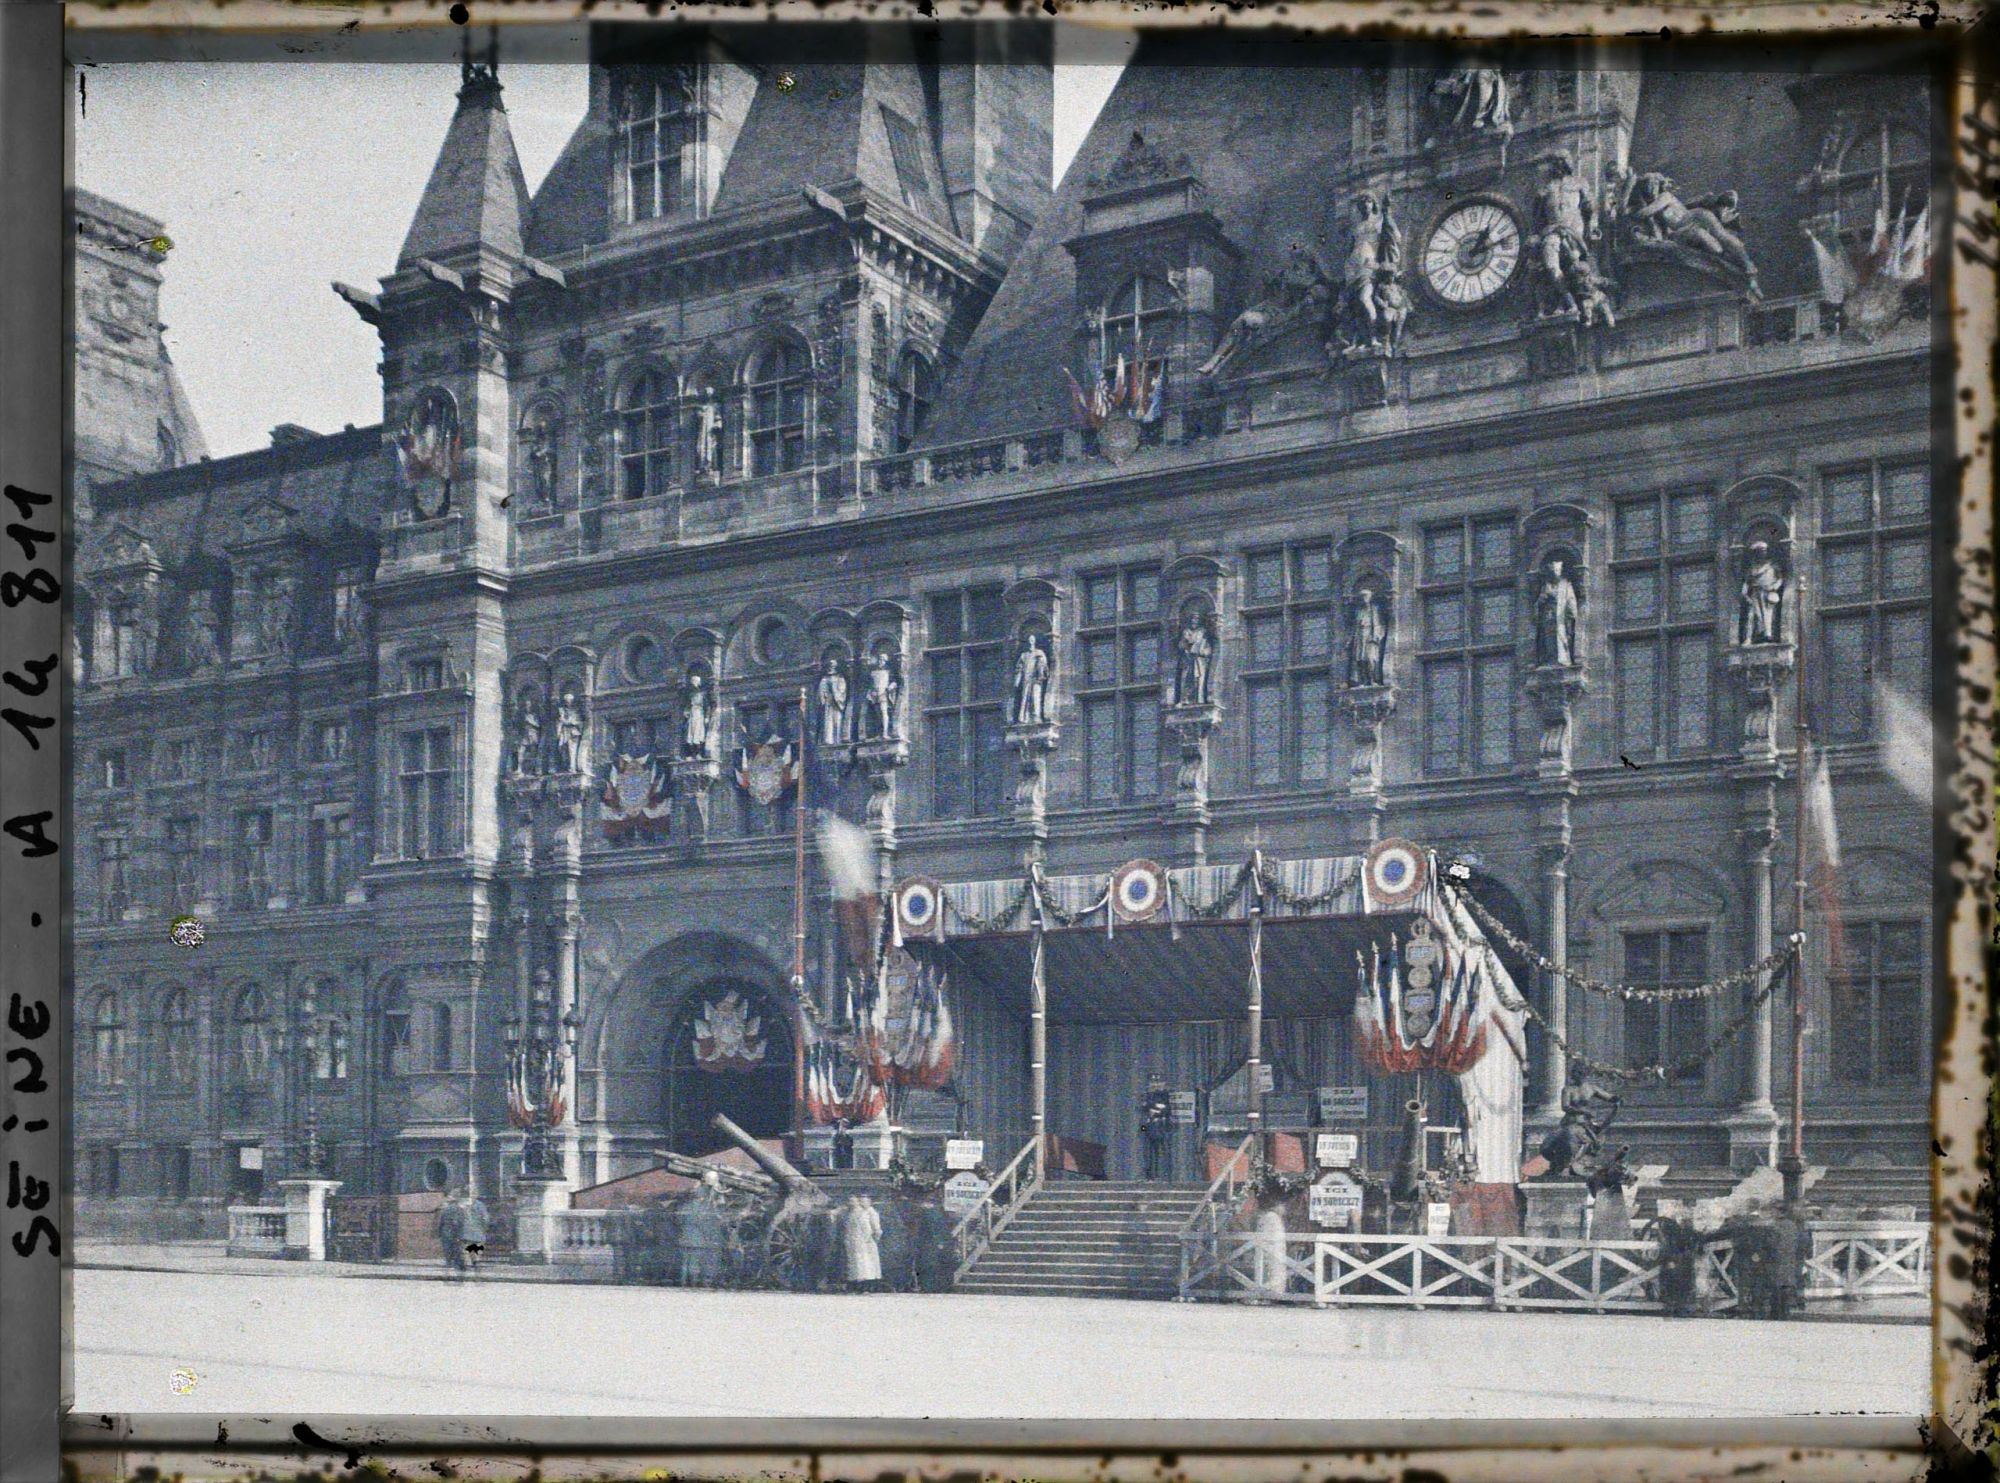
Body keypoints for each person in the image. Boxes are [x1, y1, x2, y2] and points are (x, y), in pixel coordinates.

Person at [842, 1193, 883, 1291]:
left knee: (865, 1264)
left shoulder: (867, 1213)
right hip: (853, 1242)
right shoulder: (850, 1214)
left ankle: (866, 1285)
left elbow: (874, 1229)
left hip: (865, 1242)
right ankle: (855, 1283)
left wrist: (872, 1239)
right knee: (855, 1263)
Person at [1140, 1073, 1173, 1181]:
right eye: (1153, 1083)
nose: (1155, 1086)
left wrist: (1154, 1108)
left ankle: (1164, 1176)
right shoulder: (1147, 1096)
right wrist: (1142, 1130)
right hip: (1148, 1128)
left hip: (1161, 1128)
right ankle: (1150, 1176)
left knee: (1163, 1152)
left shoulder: (1164, 1096)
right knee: (1148, 1154)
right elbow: (1143, 1110)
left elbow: (1166, 1110)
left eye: (1158, 1083)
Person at [459, 1188, 489, 1272]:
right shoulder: (480, 1205)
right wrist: (485, 1227)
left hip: (465, 1229)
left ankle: (468, 1263)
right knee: (477, 1245)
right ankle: (476, 1260)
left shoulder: (462, 1204)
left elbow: (458, 1217)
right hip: (477, 1229)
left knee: (466, 1246)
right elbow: (485, 1218)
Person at [436, 1190, 465, 1274]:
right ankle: (458, 1265)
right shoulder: (460, 1210)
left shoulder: (446, 1210)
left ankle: (449, 1264)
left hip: (446, 1232)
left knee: (447, 1250)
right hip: (455, 1233)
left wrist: (439, 1233)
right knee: (457, 1249)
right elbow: (461, 1223)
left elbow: (441, 1222)